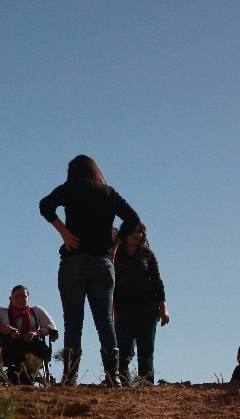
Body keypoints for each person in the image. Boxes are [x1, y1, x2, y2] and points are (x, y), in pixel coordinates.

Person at [39, 155, 140, 386]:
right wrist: (116, 243)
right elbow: (133, 219)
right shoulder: (108, 193)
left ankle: (70, 377)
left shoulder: (69, 188)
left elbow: (45, 205)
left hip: (73, 262)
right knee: (105, 321)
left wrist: (64, 232)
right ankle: (113, 377)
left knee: (73, 320)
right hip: (102, 263)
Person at [112, 222, 170, 384]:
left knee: (146, 347)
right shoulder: (114, 254)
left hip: (147, 305)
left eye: (140, 232)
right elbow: (110, 284)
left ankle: (146, 383)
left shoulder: (147, 254)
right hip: (123, 306)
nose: (137, 234)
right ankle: (122, 382)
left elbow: (157, 282)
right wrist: (113, 310)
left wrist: (163, 308)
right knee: (124, 347)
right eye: (133, 231)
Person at [0, 285, 58, 384]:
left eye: (24, 296)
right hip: (10, 347)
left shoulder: (37, 311)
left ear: (28, 299)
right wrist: (7, 328)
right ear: (10, 298)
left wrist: (36, 333)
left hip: (32, 346)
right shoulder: (1, 311)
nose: (20, 299)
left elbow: (52, 327)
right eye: (17, 296)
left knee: (41, 350)